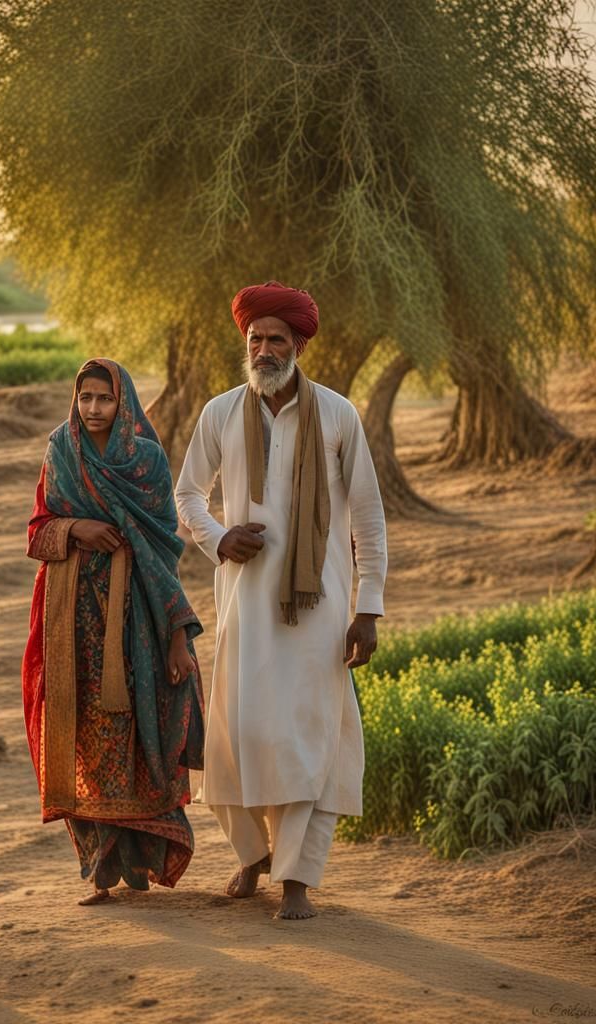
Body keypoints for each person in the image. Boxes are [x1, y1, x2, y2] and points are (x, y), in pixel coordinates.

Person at [175, 282, 387, 920]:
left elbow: (369, 518)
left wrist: (368, 608)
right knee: (241, 735)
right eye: (254, 339)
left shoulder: (339, 414)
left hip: (317, 607)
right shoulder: (218, 413)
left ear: (298, 344)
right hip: (242, 602)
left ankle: (296, 877)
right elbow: (187, 495)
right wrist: (219, 537)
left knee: (305, 735)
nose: (263, 349)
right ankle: (251, 853)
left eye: (275, 339)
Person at [22, 358, 204, 904]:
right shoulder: (61, 449)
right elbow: (37, 532)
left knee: (136, 731)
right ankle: (101, 870)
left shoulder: (145, 458)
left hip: (137, 616)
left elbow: (162, 545)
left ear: (122, 402)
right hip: (72, 614)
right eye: (85, 399)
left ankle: (141, 859)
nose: (94, 409)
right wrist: (78, 527)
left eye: (104, 399)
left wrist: (176, 632)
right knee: (83, 734)